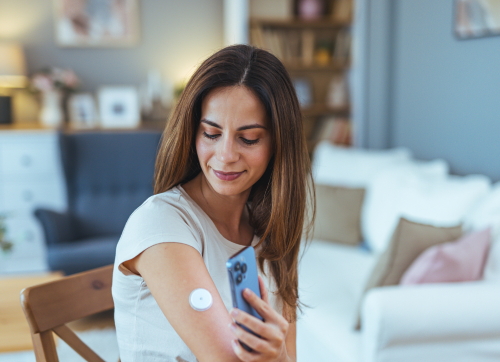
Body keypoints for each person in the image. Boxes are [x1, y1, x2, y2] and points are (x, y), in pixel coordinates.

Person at [112, 44, 315, 362]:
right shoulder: (160, 223)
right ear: (193, 133)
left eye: (248, 138)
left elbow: (290, 353)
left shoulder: (270, 231)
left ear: (279, 142)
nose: (225, 155)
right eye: (211, 133)